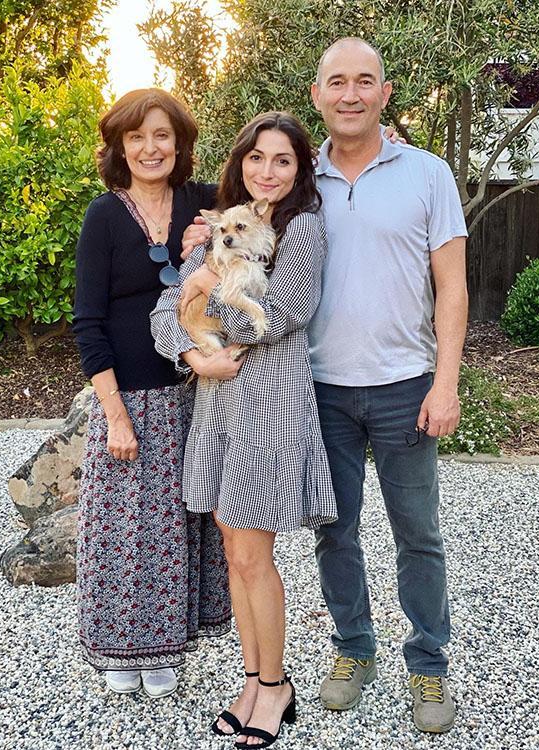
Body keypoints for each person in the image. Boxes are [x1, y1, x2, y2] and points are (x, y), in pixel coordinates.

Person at [151, 111, 338, 748]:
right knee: (235, 552)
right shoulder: (221, 224)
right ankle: (253, 679)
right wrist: (191, 352)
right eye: (257, 158)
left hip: (268, 402)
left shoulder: (303, 229)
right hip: (216, 401)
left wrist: (204, 291)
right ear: (241, 162)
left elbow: (279, 315)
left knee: (256, 556)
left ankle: (274, 685)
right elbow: (163, 312)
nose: (268, 171)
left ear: (299, 168)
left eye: (282, 160)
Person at [308, 38, 468, 733]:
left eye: (364, 81)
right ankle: (353, 649)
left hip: (407, 384)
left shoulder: (428, 174)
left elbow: (453, 286)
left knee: (418, 534)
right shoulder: (291, 178)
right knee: (333, 531)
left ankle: (428, 664)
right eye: (337, 82)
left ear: (385, 91)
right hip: (320, 389)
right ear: (317, 94)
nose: (350, 94)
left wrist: (447, 382)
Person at [72, 88, 231, 699]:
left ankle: (165, 643)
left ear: (179, 142)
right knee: (124, 528)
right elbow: (88, 321)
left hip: (199, 395)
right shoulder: (104, 216)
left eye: (161, 135)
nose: (149, 147)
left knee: (178, 526)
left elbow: (268, 206)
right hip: (132, 402)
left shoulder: (201, 203)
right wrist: (113, 413)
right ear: (118, 146)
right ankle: (119, 646)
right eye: (135, 137)